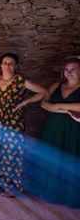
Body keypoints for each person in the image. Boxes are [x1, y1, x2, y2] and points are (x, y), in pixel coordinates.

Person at [0, 53, 47, 198]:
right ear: (0, 65)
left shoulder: (20, 80)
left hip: (13, 122)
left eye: (11, 63)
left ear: (16, 66)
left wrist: (24, 102)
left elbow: (44, 92)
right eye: (4, 63)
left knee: (11, 154)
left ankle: (11, 187)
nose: (7, 66)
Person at [32, 57, 80, 207]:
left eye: (73, 69)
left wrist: (59, 106)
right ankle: (49, 192)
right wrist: (57, 107)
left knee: (70, 156)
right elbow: (44, 103)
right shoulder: (57, 85)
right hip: (54, 127)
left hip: (74, 128)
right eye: (66, 69)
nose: (69, 72)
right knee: (53, 155)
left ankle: (69, 197)